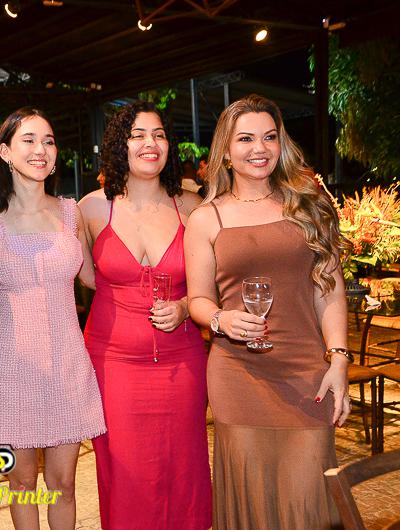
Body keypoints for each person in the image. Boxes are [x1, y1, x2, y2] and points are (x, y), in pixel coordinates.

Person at [184, 94, 351, 529]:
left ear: (281, 144)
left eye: (269, 137)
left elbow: (329, 289)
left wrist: (338, 360)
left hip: (306, 373)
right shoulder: (206, 218)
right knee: (251, 496)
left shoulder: (309, 206)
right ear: (225, 150)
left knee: (309, 500)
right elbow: (198, 299)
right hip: (238, 374)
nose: (259, 148)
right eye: (245, 139)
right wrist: (221, 319)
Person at [78, 101, 211, 530]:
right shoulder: (91, 209)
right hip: (112, 362)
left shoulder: (192, 207)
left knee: (183, 466)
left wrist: (186, 306)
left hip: (181, 361)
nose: (150, 143)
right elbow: (85, 276)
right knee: (124, 472)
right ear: (120, 145)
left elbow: (212, 283)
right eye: (137, 135)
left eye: (159, 134)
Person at [0, 107, 106, 530]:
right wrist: (15, 296)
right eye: (29, 140)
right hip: (7, 368)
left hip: (67, 363)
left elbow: (93, 278)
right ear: (6, 152)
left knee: (63, 484)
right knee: (21, 484)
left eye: (48, 141)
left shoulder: (70, 213)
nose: (41, 149)